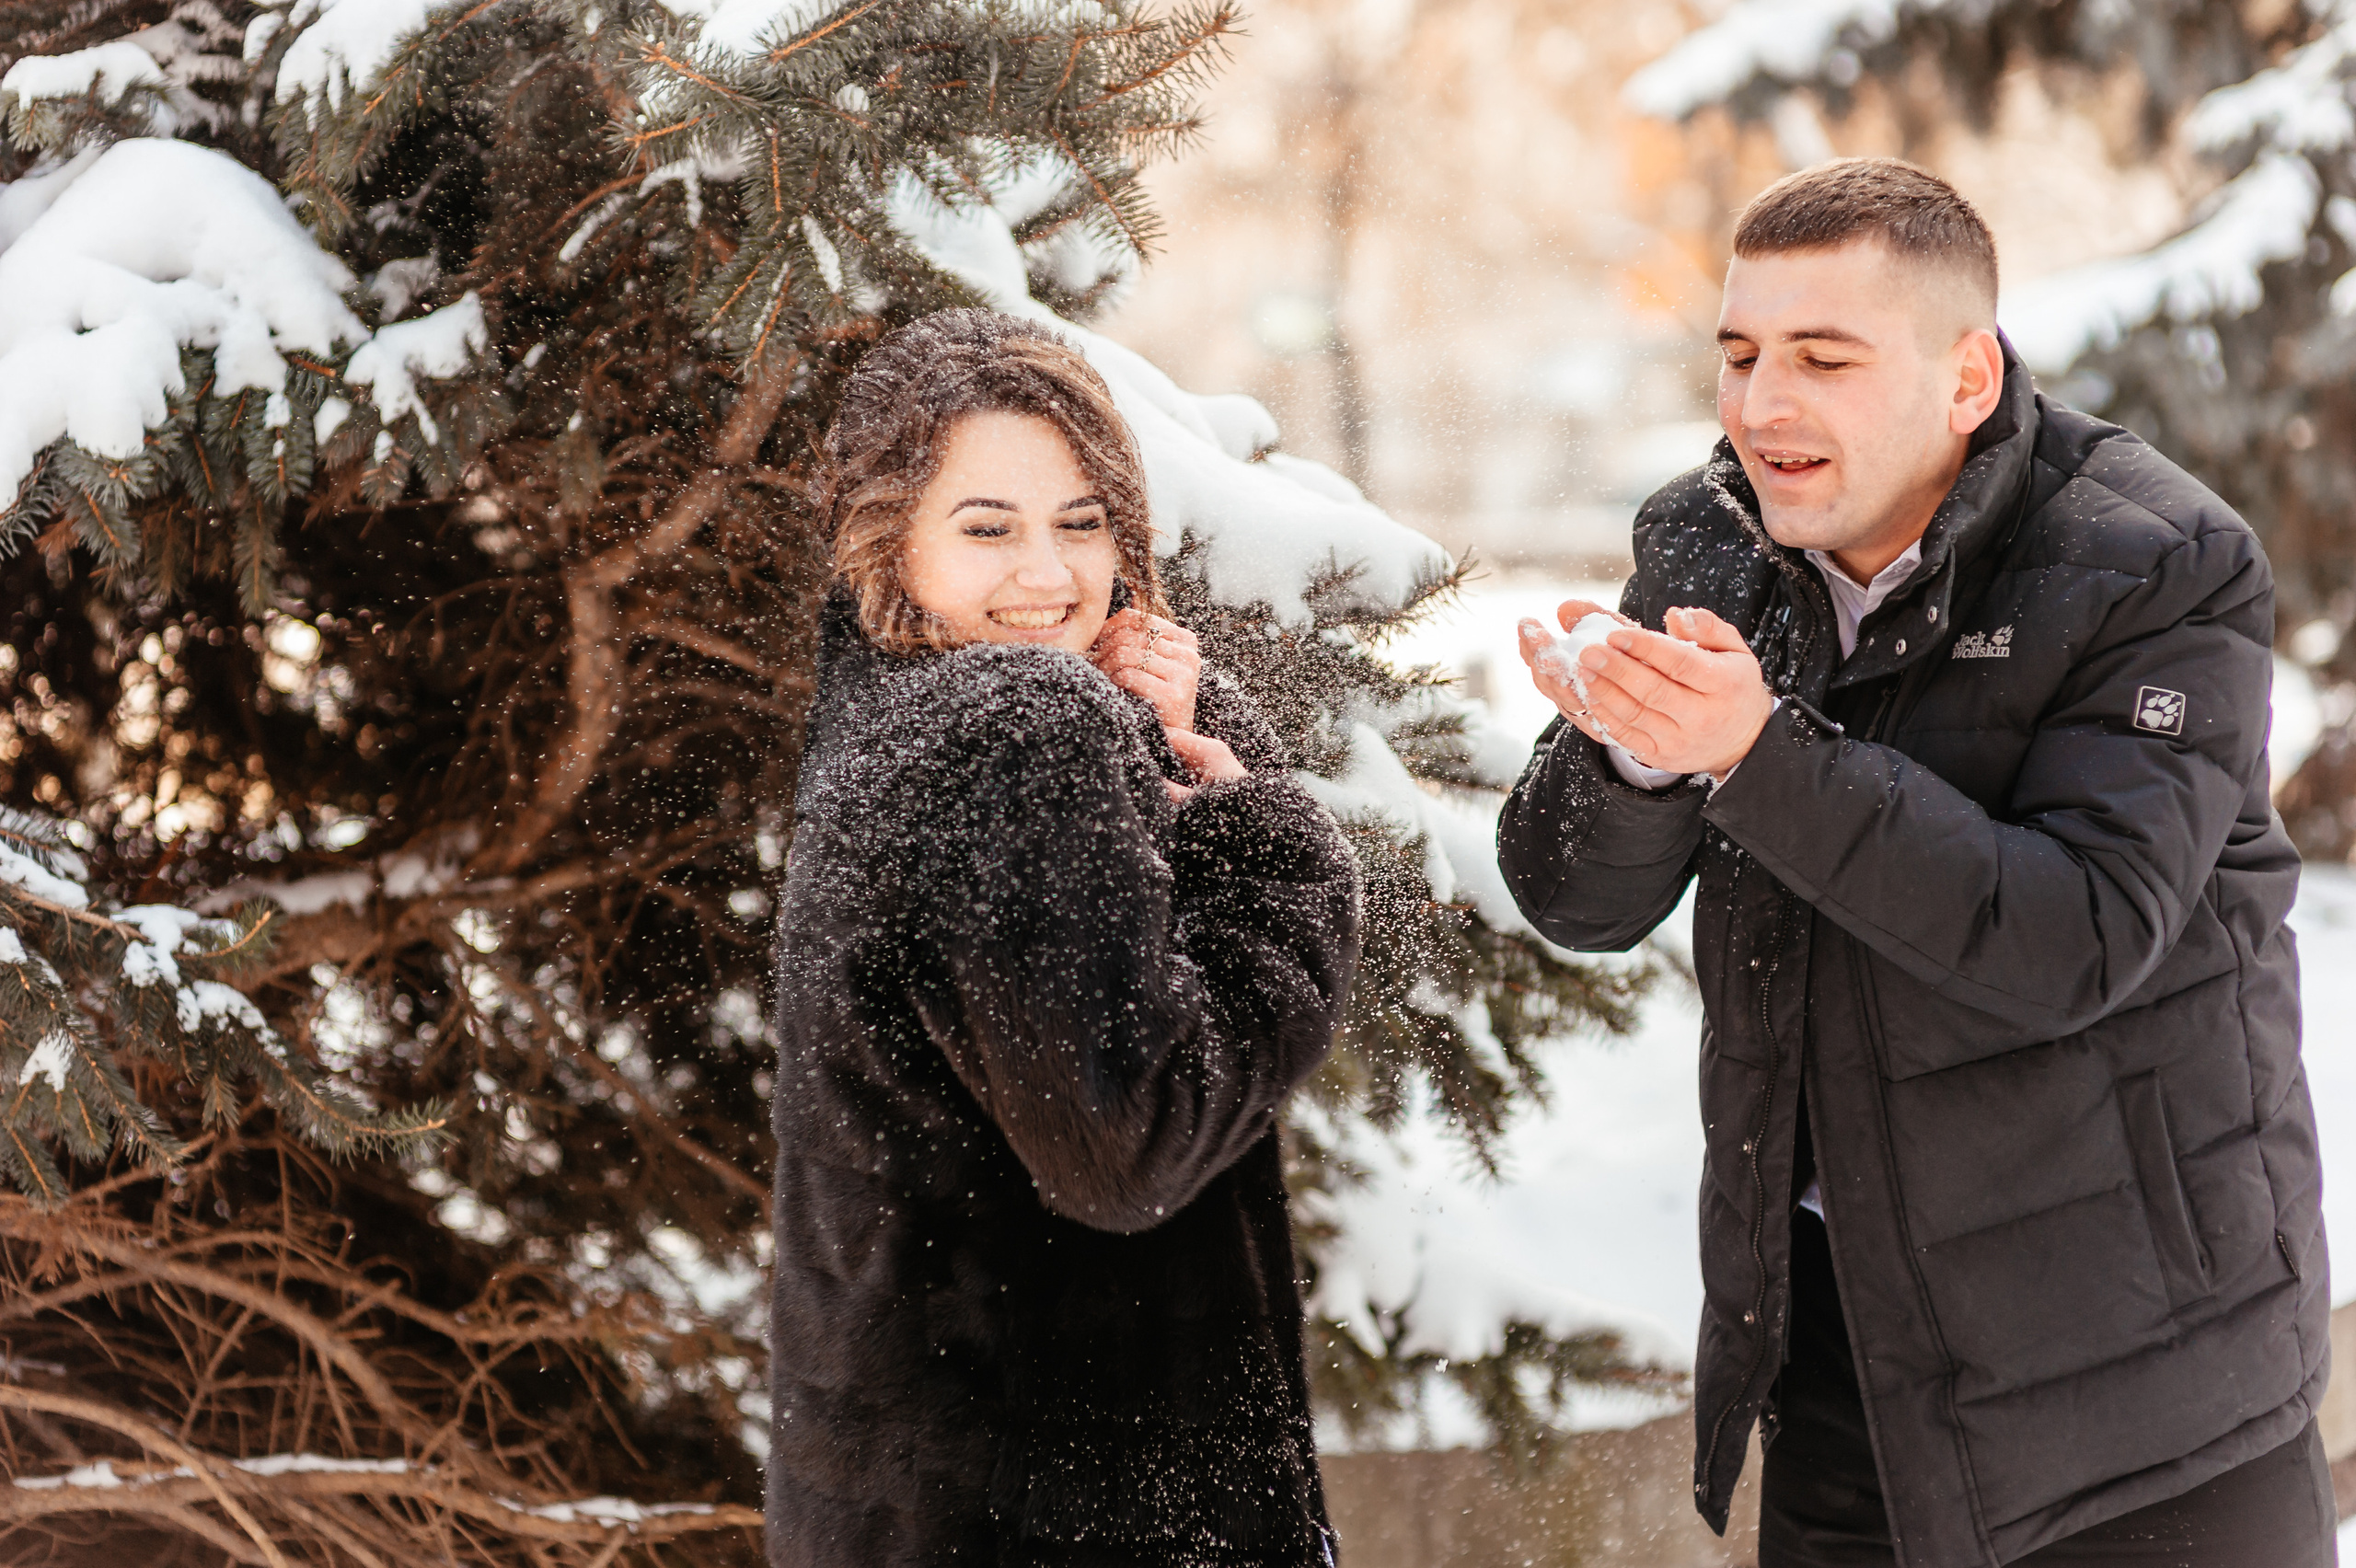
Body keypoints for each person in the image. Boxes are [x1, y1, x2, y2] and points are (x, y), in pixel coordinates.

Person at [1496, 160, 2329, 1567]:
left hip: (2147, 1394)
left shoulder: (2155, 563)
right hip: (1845, 1371)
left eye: (1823, 358)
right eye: (1742, 354)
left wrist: (1759, 758)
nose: (1763, 406)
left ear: (1966, 376)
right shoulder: (1712, 547)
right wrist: (1638, 757)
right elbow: (1574, 900)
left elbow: (2074, 939)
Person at [766, 307, 1361, 1568]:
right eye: (988, 529)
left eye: (1083, 525)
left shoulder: (890, 715)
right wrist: (1273, 846)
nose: (1046, 574)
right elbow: (1130, 1149)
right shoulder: (1018, 725)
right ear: (891, 536)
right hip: (1073, 1514)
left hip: (917, 1500)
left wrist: (1173, 740)